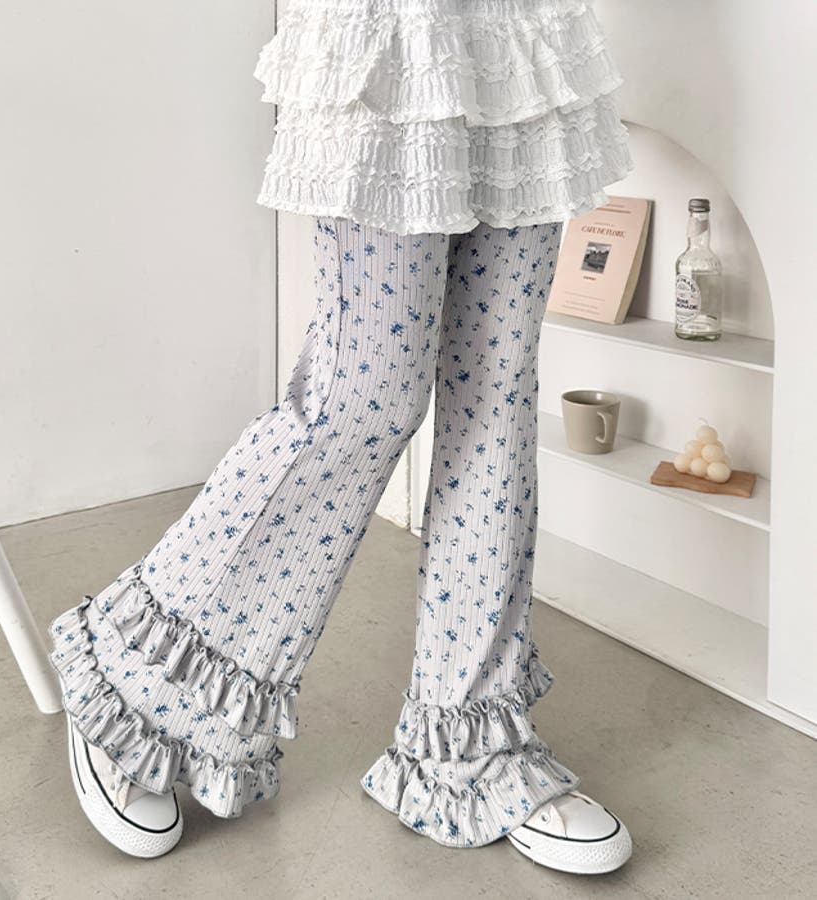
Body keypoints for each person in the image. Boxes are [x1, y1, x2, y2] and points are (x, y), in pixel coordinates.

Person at [49, 0, 636, 874]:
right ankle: (140, 680)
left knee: (497, 401)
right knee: (364, 395)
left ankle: (471, 742)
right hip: (392, 36)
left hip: (521, 33)